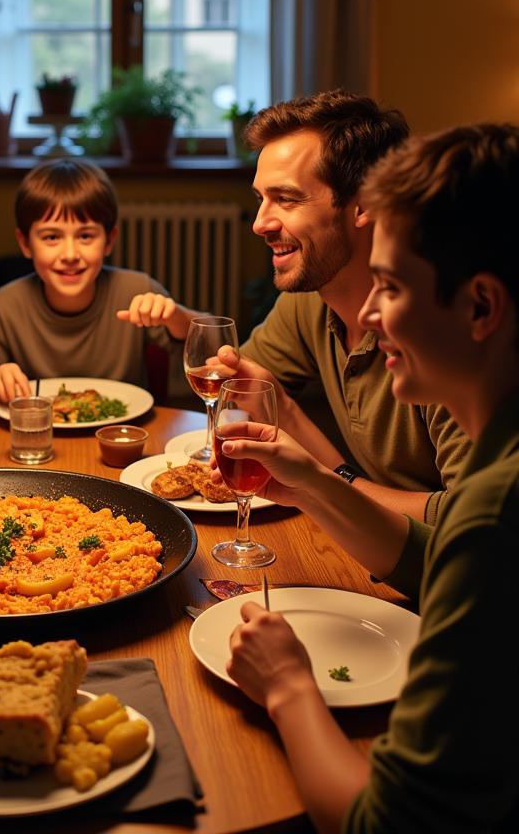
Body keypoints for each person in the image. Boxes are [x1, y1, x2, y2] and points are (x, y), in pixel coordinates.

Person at [217, 123, 519, 832]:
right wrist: (313, 486)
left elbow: (382, 823)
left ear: (480, 307)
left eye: (390, 287)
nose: (371, 317)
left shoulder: (496, 515)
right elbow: (427, 562)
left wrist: (290, 687)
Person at [219, 90, 470, 522]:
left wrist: (330, 483)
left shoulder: (444, 330)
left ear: (365, 204)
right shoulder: (311, 299)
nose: (260, 223)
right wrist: (288, 415)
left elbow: (472, 526)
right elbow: (244, 395)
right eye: (261, 198)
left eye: (287, 198)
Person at [0, 159, 195, 402]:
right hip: (35, 435)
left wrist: (175, 316)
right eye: (51, 237)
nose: (70, 255)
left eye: (85, 236)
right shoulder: (6, 304)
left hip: (120, 435)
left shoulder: (135, 290)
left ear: (109, 241)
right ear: (25, 244)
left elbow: (215, 342)